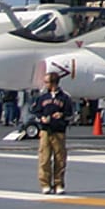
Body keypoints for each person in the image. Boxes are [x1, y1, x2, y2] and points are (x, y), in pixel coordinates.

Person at [30, 66, 75, 195]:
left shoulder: (65, 98)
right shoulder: (43, 97)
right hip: (45, 131)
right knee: (44, 159)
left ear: (53, 83)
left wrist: (61, 115)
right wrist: (41, 118)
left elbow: (70, 114)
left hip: (59, 131)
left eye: (47, 82)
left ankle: (58, 183)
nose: (45, 84)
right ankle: (45, 184)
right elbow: (35, 111)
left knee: (60, 159)